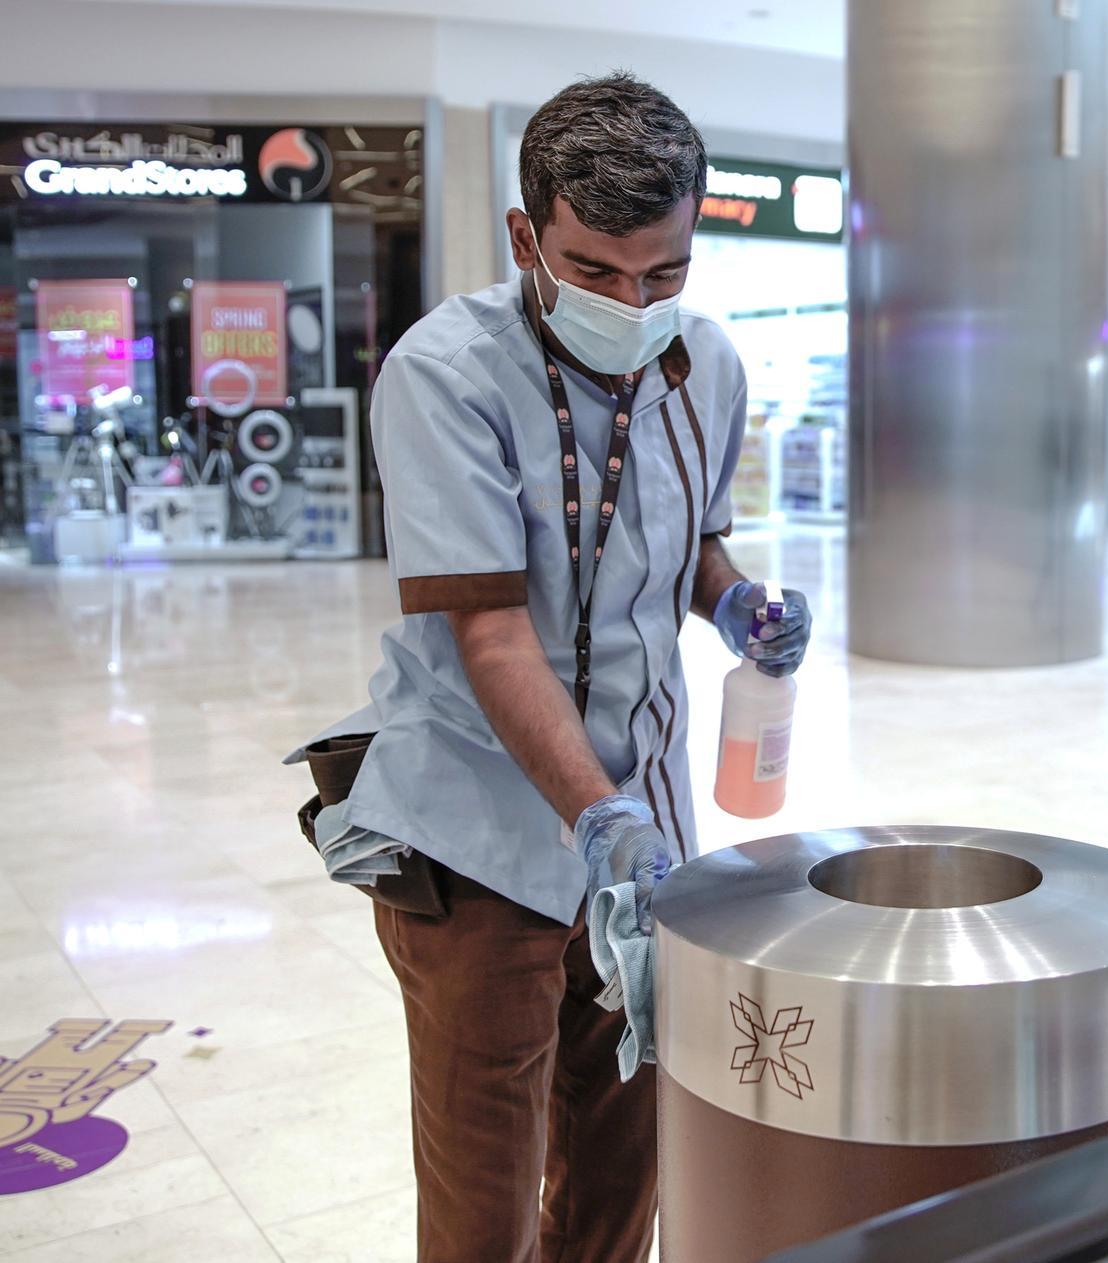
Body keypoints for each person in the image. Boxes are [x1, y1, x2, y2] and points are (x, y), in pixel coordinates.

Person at [287, 74, 811, 1262]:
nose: (633, 303)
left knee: (622, 1178)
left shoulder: (706, 369)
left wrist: (737, 606)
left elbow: (696, 546)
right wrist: (599, 817)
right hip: (479, 845)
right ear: (526, 235)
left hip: (643, 844)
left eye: (663, 273)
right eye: (594, 271)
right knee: (485, 1209)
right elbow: (489, 632)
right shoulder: (445, 375)